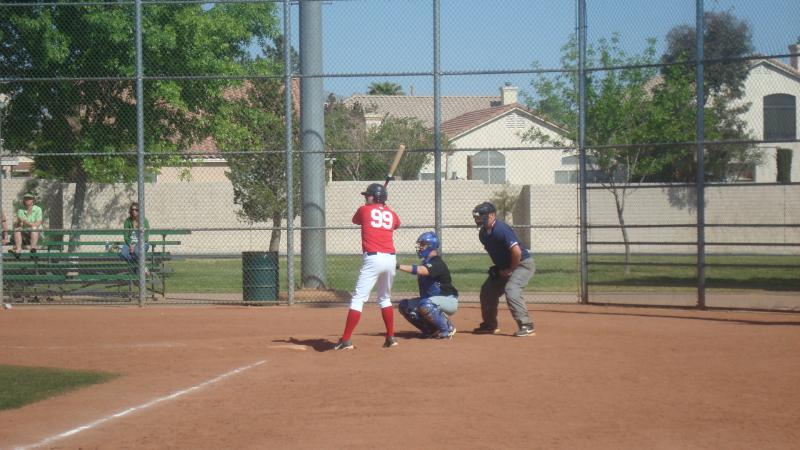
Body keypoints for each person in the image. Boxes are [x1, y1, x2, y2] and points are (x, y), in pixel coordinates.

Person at [334, 183, 400, 351]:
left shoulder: (364, 210)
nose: (365, 198)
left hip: (373, 258)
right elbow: (396, 224)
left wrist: (372, 206)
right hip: (390, 259)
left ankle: (346, 340)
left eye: (367, 196)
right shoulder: (392, 214)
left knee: (358, 299)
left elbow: (355, 220)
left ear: (374, 197)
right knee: (384, 298)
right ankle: (390, 338)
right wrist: (382, 207)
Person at [471, 202, 536, 337]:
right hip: (506, 266)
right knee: (488, 290)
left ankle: (526, 325)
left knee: (512, 289)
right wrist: (500, 269)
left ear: (492, 215)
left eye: (482, 216)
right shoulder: (483, 233)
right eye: (477, 216)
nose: (479, 219)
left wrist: (510, 270)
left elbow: (517, 252)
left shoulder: (501, 229)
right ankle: (490, 325)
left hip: (522, 264)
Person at [396, 231, 458, 339]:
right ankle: (431, 329)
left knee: (425, 305)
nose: (420, 247)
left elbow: (422, 270)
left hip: (448, 300)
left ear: (431, 246)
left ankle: (447, 328)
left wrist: (398, 266)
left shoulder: (437, 262)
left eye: (423, 245)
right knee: (404, 306)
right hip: (432, 300)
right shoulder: (426, 262)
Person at [120, 202, 150, 267]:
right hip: (130, 243)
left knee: (137, 251)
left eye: (136, 210)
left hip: (142, 243)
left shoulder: (144, 220)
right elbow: (126, 237)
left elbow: (146, 237)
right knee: (123, 254)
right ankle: (138, 266)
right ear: (130, 210)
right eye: (132, 209)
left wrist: (135, 245)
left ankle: (140, 268)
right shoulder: (127, 221)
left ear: (139, 211)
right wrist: (131, 244)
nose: (134, 211)